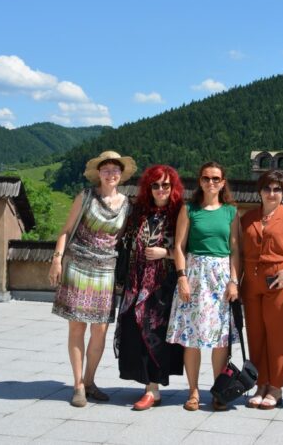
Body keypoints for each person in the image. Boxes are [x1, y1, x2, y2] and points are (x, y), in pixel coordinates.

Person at [49, 150, 135, 407]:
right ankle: (77, 384)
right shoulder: (85, 196)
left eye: (115, 170)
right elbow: (66, 230)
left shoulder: (127, 204)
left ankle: (90, 381)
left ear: (121, 174)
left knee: (100, 329)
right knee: (77, 327)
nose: (111, 174)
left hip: (106, 269)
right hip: (78, 264)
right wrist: (56, 259)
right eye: (106, 169)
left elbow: (123, 239)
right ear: (98, 173)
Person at [167, 161, 240, 411]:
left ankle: (218, 391)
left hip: (220, 277)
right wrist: (182, 277)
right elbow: (179, 246)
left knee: (220, 339)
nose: (211, 182)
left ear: (223, 182)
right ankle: (193, 391)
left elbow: (235, 250)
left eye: (216, 178)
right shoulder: (189, 210)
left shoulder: (231, 212)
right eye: (206, 178)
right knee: (192, 337)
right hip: (195, 275)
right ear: (200, 181)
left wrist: (234, 281)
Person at [234, 170, 283, 410]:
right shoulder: (248, 218)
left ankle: (275, 387)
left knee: (278, 337)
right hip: (251, 285)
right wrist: (235, 282)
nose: (272, 193)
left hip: (280, 284)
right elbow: (239, 253)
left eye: (277, 189)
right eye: (267, 188)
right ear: (260, 191)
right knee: (255, 337)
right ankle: (260, 384)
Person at [114, 164, 184, 411]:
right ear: (148, 187)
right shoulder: (138, 212)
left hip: (162, 286)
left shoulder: (180, 213)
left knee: (155, 335)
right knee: (135, 331)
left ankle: (153, 389)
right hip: (136, 282)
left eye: (166, 185)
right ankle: (147, 384)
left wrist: (166, 253)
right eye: (155, 185)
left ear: (173, 187)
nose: (161, 189)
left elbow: (190, 248)